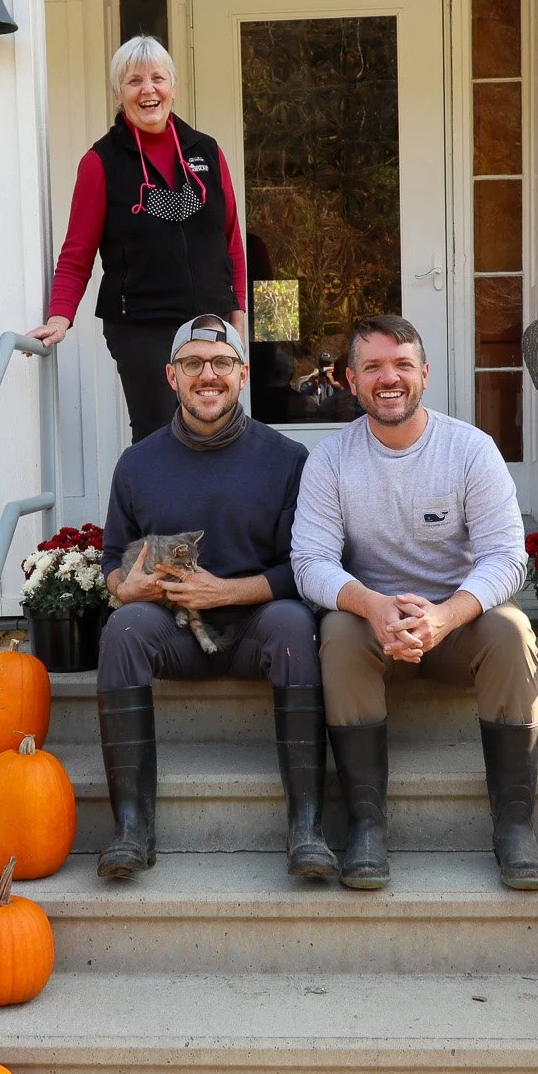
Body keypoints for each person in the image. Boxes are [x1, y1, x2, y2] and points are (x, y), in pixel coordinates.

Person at [290, 313, 538, 892]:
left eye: (402, 364)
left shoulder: (470, 450)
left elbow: (507, 557)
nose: (389, 378)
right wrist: (374, 606)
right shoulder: (329, 461)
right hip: (372, 627)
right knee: (335, 632)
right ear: (349, 381)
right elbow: (310, 562)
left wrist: (446, 615)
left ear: (425, 374)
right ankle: (366, 827)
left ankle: (515, 827)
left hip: (457, 624)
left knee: (512, 632)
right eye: (373, 367)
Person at [96, 313, 333, 880]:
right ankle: (132, 828)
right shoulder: (138, 464)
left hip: (258, 630)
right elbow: (111, 559)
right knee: (122, 630)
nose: (209, 374)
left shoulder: (287, 460)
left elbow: (305, 567)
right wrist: (124, 588)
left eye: (222, 363)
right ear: (171, 376)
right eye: (193, 363)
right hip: (173, 631)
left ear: (243, 374)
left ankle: (307, 828)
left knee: (296, 625)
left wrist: (226, 590)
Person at [28, 35, 249, 442]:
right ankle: (153, 507)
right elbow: (78, 251)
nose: (148, 90)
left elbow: (230, 238)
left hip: (210, 316)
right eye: (134, 81)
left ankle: (215, 507)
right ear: (119, 94)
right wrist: (61, 316)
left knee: (217, 427)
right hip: (141, 323)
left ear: (173, 88)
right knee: (159, 431)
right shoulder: (101, 162)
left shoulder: (207, 152)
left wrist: (237, 308)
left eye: (157, 79)